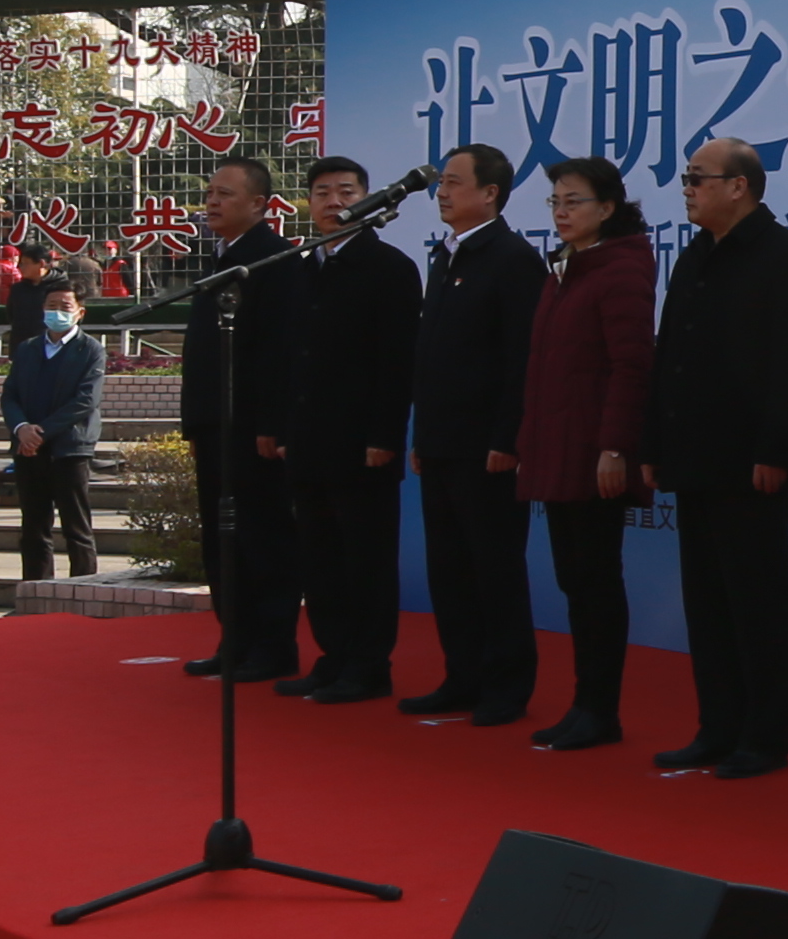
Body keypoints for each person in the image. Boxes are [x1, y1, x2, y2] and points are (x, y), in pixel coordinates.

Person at [643, 136, 788, 779]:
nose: (687, 189)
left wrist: (777, 450)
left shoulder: (785, 256)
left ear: (739, 186)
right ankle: (717, 728)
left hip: (750, 462)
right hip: (692, 456)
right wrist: (653, 444)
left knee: (758, 602)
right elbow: (668, 354)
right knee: (707, 601)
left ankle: (765, 737)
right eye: (686, 178)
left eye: (698, 178)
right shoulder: (695, 256)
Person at [510, 161, 657, 751]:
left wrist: (614, 447)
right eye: (555, 202)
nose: (561, 212)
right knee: (575, 580)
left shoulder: (620, 269)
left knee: (596, 581)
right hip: (559, 448)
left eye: (574, 201)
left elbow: (631, 367)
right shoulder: (565, 269)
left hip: (596, 453)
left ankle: (601, 710)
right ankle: (583, 704)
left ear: (608, 207)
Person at [402, 148, 545, 724]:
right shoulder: (446, 255)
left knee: (495, 569)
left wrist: (508, 438)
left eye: (454, 182)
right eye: (441, 182)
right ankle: (461, 676)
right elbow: (430, 356)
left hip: (487, 449)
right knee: (450, 570)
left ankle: (506, 687)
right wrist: (422, 433)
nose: (441, 191)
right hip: (441, 442)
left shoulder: (513, 259)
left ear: (490, 193)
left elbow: (522, 360)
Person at [275, 156, 419, 703]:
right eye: (322, 192)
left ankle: (368, 666)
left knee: (367, 561)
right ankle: (332, 657)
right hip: (308, 441)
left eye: (346, 191)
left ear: (367, 198)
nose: (333, 201)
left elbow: (396, 363)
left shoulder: (389, 267)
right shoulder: (299, 267)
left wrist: (385, 436)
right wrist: (282, 428)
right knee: (319, 561)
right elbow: (288, 358)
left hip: (362, 445)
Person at [173, 152, 304, 682]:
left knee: (261, 536)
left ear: (259, 203)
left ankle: (273, 646)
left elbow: (280, 351)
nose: (212, 202)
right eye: (209, 193)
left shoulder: (273, 259)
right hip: (214, 423)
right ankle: (235, 639)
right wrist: (194, 423)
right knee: (221, 537)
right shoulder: (219, 258)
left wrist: (272, 423)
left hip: (253, 429)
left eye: (224, 194)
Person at [2, 269, 102, 583]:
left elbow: (85, 400)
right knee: (34, 527)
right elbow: (10, 394)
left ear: (80, 312)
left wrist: (40, 433)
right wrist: (21, 428)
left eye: (65, 306)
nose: (57, 312)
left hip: (69, 448)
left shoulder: (90, 350)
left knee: (76, 527)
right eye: (51, 306)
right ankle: (36, 589)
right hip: (28, 449)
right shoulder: (28, 348)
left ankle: (83, 590)